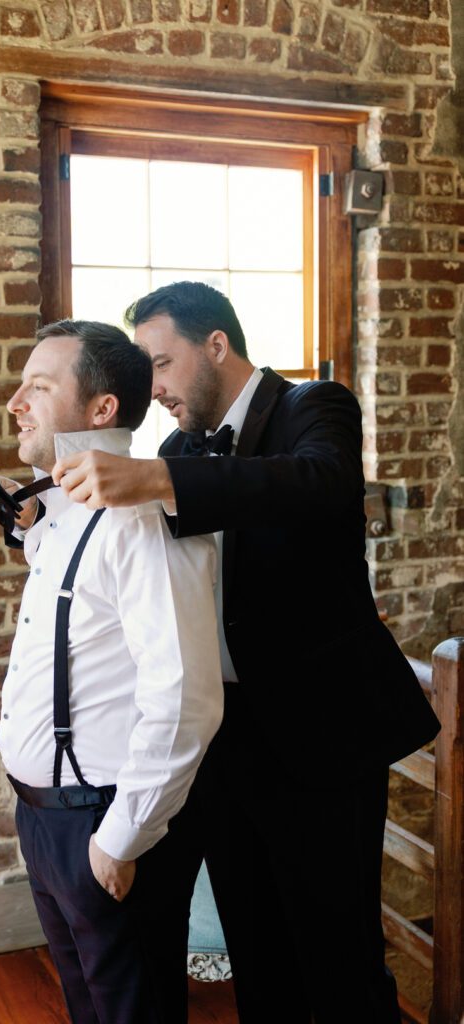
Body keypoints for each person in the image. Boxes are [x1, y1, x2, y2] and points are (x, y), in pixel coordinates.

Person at [51, 282, 441, 1024]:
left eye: (161, 365)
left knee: (337, 954)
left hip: (322, 738)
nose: (154, 388)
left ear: (216, 346)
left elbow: (318, 482)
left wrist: (158, 478)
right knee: (255, 946)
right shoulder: (175, 447)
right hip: (228, 742)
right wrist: (30, 513)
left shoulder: (312, 407)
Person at [0, 319, 223, 1024]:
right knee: (88, 1007)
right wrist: (17, 512)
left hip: (104, 825)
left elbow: (187, 699)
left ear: (101, 411)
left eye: (39, 388)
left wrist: (120, 837)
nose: (15, 401)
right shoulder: (60, 513)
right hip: (45, 819)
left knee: (133, 1009)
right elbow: (70, 603)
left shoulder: (141, 525)